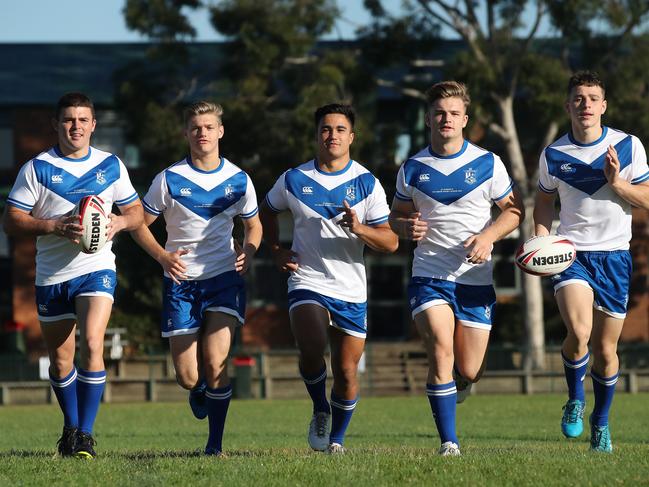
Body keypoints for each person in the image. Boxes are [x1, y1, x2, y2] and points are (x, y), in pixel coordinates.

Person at [3, 92, 143, 458]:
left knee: (93, 344)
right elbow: (10, 220)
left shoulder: (111, 165)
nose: (76, 126)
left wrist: (120, 221)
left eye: (83, 119)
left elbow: (137, 213)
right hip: (52, 276)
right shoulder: (37, 168)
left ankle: (86, 434)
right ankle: (70, 426)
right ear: (56, 124)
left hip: (96, 269)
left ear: (94, 124)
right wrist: (50, 225)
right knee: (61, 360)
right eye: (68, 119)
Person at [389, 81, 524, 456]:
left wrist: (488, 237)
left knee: (468, 367)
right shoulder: (413, 167)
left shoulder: (487, 163)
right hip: (429, 276)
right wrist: (405, 226)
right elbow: (396, 216)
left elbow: (514, 211)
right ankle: (449, 442)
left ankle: (463, 383)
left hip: (474, 281)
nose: (445, 119)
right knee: (441, 352)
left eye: (452, 113)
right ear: (429, 118)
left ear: (464, 119)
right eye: (438, 113)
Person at [259, 103, 398, 454]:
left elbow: (391, 241)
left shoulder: (367, 183)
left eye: (339, 129)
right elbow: (266, 212)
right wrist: (276, 249)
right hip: (307, 279)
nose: (332, 135)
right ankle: (320, 408)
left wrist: (359, 227)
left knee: (347, 372)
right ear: (316, 134)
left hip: (351, 288)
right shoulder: (293, 179)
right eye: (325, 128)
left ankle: (336, 438)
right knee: (311, 344)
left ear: (351, 136)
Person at [130, 101, 262, 456]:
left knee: (217, 361)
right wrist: (162, 256)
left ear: (220, 131)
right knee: (188, 376)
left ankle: (214, 445)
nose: (202, 133)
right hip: (181, 282)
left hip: (223, 278)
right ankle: (197, 388)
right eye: (195, 128)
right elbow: (138, 223)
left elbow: (254, 225)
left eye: (208, 127)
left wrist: (248, 252)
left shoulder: (238, 179)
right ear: (186, 133)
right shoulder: (168, 179)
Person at [533, 71, 649, 452]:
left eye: (592, 98)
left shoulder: (628, 146)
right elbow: (544, 200)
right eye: (578, 98)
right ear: (568, 106)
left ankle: (601, 421)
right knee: (579, 332)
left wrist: (617, 185)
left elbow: (646, 198)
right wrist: (541, 234)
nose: (585, 105)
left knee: (605, 351)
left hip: (615, 256)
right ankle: (575, 399)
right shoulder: (553, 154)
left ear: (603, 106)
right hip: (570, 254)